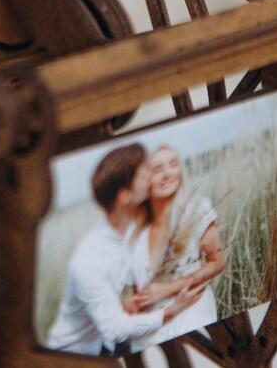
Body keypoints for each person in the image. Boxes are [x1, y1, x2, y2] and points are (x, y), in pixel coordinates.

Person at [47, 144, 204, 357]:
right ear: (124, 197)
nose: (151, 176)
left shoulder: (128, 229)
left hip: (106, 342)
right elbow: (116, 329)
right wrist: (172, 311)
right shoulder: (90, 261)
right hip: (75, 356)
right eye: (144, 175)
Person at [125, 145, 225, 349]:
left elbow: (217, 262)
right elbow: (140, 296)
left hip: (192, 313)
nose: (168, 173)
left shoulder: (196, 209)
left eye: (173, 164)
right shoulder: (137, 235)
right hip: (151, 326)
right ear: (145, 181)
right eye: (158, 169)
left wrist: (169, 288)